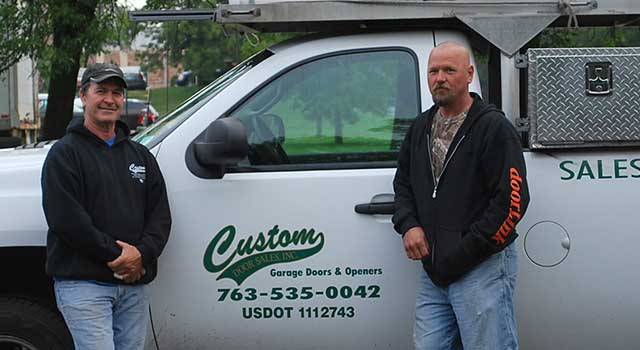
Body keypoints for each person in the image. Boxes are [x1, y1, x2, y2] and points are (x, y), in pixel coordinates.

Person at [393, 41, 530, 350]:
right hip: (435, 270)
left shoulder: (493, 128)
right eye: (433, 71)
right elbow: (403, 184)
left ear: (469, 74)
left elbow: (513, 202)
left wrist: (467, 250)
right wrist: (409, 224)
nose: (439, 78)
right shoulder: (420, 128)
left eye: (449, 70)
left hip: (481, 267)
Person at [41, 63, 171, 350]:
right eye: (101, 91)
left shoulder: (141, 155)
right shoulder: (64, 154)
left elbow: (160, 216)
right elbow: (67, 220)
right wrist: (119, 256)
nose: (109, 100)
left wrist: (142, 254)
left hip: (133, 285)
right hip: (84, 286)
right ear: (84, 95)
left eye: (116, 93)